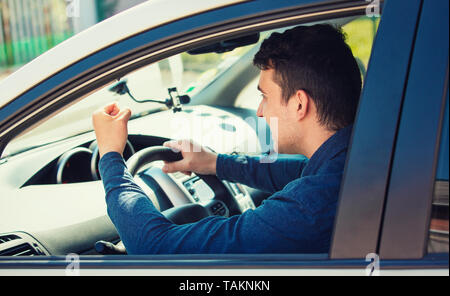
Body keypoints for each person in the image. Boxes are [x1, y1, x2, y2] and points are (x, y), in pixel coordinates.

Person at [92, 24, 362, 254]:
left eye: (265, 97)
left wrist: (111, 157)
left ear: (299, 104)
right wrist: (215, 163)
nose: (259, 111)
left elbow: (154, 247)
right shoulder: (354, 161)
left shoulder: (310, 207)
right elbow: (295, 172)